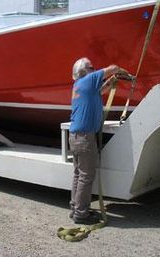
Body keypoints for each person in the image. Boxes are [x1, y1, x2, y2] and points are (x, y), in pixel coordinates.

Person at [69, 57, 126, 225]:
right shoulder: (88, 79)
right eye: (92, 67)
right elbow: (113, 66)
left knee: (78, 174)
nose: (94, 70)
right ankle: (81, 214)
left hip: (76, 136)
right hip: (85, 138)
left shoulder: (80, 85)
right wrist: (120, 71)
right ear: (86, 70)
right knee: (86, 176)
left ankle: (75, 208)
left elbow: (100, 91)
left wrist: (111, 82)